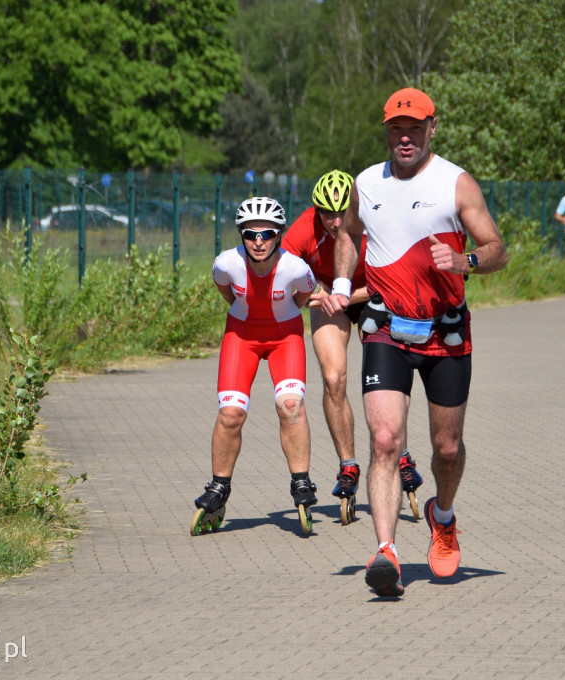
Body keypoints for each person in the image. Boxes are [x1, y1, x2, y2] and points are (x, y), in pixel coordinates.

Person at [322, 87, 508, 596]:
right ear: (386, 131)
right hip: (384, 327)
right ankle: (386, 552)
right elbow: (346, 235)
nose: (404, 138)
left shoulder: (456, 184)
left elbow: (497, 249)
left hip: (445, 331)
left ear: (432, 128)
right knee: (385, 441)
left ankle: (441, 516)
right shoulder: (366, 182)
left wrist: (466, 261)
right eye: (395, 130)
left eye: (414, 128)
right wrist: (342, 287)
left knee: (446, 449)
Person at [282, 170, 424, 523]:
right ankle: (348, 466)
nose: (333, 222)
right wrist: (319, 295)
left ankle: (400, 452)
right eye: (325, 213)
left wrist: (345, 296)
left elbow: (395, 279)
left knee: (386, 379)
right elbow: (281, 276)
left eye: (340, 213)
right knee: (333, 379)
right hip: (329, 297)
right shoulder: (302, 230)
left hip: (373, 293)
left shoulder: (375, 222)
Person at [191, 197, 319, 536]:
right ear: (241, 235)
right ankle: (219, 487)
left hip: (284, 336)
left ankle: (301, 482)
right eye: (250, 234)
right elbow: (227, 292)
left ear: (278, 235)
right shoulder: (226, 263)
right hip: (242, 335)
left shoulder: (296, 268)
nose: (258, 241)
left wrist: (277, 315)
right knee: (230, 413)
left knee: (290, 406)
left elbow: (303, 295)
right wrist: (248, 312)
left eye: (266, 233)